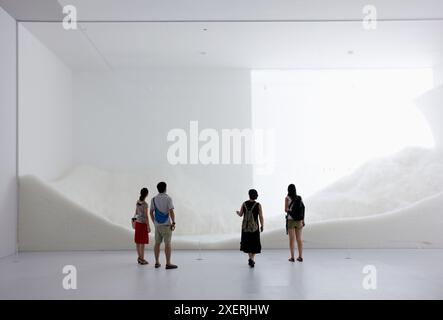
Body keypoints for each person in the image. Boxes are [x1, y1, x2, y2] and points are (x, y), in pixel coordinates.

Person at [150, 182, 177, 269]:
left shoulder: (153, 199)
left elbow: (151, 212)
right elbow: (171, 212)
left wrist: (154, 222)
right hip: (166, 225)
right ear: (165, 188)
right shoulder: (168, 198)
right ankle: (168, 263)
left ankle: (157, 262)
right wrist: (173, 222)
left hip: (157, 225)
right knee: (167, 244)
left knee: (157, 244)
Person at [236, 189, 264, 268]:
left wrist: (238, 212)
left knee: (247, 243)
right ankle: (252, 258)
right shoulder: (258, 205)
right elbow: (261, 217)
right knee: (255, 244)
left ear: (249, 195)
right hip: (254, 227)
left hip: (246, 227)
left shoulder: (244, 204)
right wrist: (262, 225)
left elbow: (241, 214)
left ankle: (250, 258)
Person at [285, 184, 305, 262]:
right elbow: (303, 209)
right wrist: (303, 220)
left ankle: (292, 257)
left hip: (291, 220)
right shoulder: (299, 198)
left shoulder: (287, 198)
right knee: (299, 239)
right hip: (299, 220)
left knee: (291, 239)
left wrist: (290, 211)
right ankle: (300, 257)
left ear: (288, 190)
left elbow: (285, 209)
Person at [133, 187, 150, 265]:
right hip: (143, 224)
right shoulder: (145, 204)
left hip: (137, 223)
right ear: (146, 194)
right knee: (142, 242)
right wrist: (148, 226)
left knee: (138, 241)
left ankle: (140, 258)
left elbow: (136, 212)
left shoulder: (137, 202)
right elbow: (146, 216)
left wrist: (134, 221)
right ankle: (142, 259)